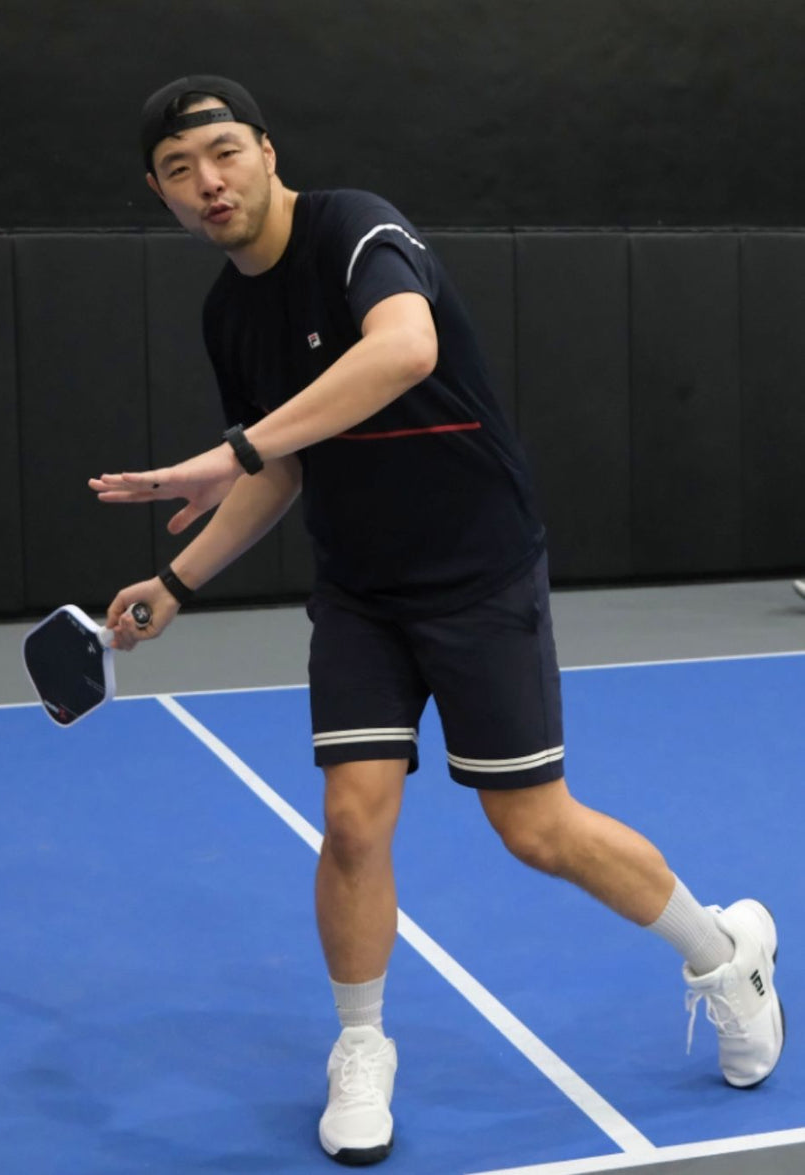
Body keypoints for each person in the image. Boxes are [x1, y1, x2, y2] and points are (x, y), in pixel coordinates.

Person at [89, 75, 784, 1166]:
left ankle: (725, 952)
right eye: (179, 170)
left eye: (223, 152)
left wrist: (235, 451)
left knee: (534, 829)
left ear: (268, 152)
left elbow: (402, 351)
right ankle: (361, 1045)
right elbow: (284, 461)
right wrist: (176, 582)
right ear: (159, 192)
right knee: (355, 820)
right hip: (362, 589)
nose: (207, 182)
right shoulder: (231, 311)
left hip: (475, 571)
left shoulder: (355, 227)